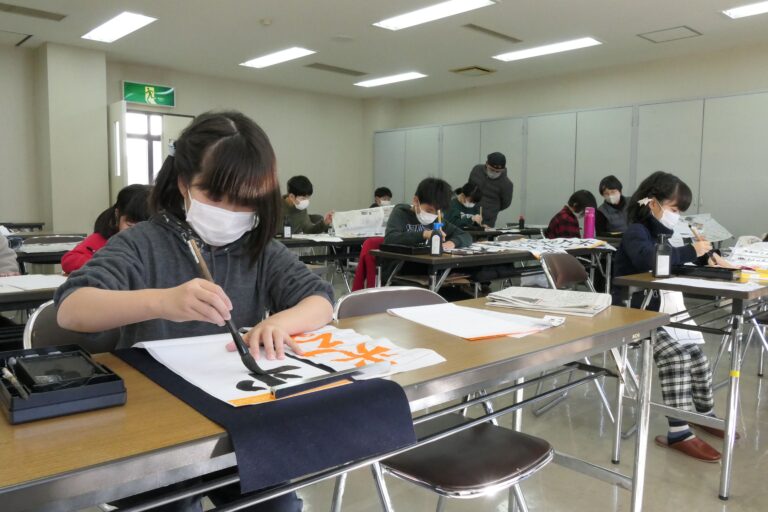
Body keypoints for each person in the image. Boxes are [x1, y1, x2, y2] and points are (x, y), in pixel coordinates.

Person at [55, 111, 333, 510]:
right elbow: (71, 308)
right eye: (215, 196)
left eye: (246, 200)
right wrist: (162, 301)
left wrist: (279, 322)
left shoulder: (258, 247)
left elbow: (320, 298)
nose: (231, 212)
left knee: (279, 505)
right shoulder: (143, 243)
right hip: (157, 432)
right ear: (184, 183)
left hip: (238, 426)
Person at [612, 170, 730, 463]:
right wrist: (691, 250)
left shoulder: (660, 234)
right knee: (676, 356)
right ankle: (679, 431)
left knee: (696, 355)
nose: (676, 215)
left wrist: (703, 256)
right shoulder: (636, 231)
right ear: (652, 202)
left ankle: (701, 413)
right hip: (632, 315)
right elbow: (652, 261)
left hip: (658, 313)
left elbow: (672, 263)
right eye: (674, 209)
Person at [383, 177, 471, 284]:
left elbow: (465, 235)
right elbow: (390, 238)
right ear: (416, 201)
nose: (432, 216)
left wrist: (452, 242)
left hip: (426, 269)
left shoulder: (436, 219)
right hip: (399, 270)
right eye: (429, 210)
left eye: (437, 212)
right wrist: (425, 234)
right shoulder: (401, 213)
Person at [61, 184, 152, 273]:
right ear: (117, 214)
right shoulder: (103, 238)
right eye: (129, 224)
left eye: (145, 227)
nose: (135, 232)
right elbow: (69, 260)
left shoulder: (159, 243)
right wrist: (109, 264)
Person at [468, 152, 513, 227]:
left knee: (483, 238)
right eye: (492, 169)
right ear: (486, 164)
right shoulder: (476, 170)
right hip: (468, 212)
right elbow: (469, 187)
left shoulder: (507, 184)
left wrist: (491, 210)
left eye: (498, 171)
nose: (494, 173)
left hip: (488, 219)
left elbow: (505, 203)